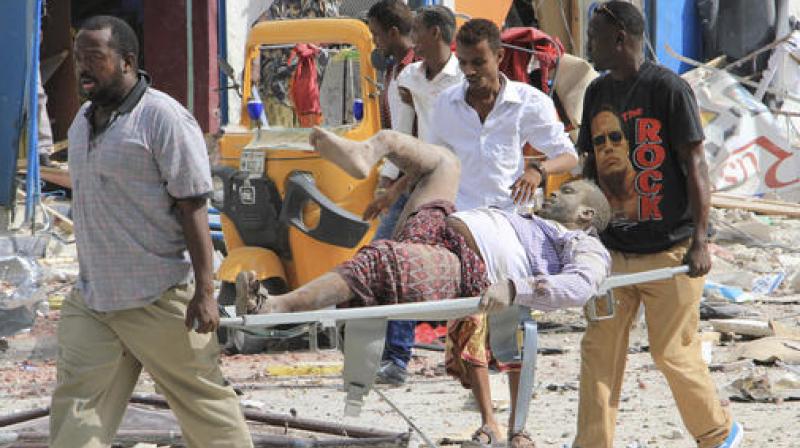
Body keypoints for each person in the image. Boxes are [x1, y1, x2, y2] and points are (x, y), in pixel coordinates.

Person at [236, 127, 611, 448]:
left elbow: (581, 286)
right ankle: (368, 151)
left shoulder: (581, 243)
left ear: (586, 215)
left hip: (464, 267)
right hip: (443, 227)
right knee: (444, 163)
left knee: (380, 260)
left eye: (570, 193)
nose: (557, 193)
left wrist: (516, 288)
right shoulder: (528, 218)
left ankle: (274, 306)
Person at [50, 16, 252, 448]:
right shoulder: (83, 121)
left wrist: (206, 291)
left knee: (204, 405)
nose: (83, 67)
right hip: (95, 298)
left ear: (126, 61)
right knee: (78, 406)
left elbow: (193, 204)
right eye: (79, 58)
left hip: (159, 297)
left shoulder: (163, 119)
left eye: (95, 58)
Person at [574, 3, 743, 448]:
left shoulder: (668, 89)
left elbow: (695, 168)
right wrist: (585, 230)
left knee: (673, 353)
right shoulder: (595, 93)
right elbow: (590, 166)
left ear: (619, 39)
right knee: (599, 352)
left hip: (671, 251)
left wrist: (701, 241)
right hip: (613, 251)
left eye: (594, 35)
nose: (588, 44)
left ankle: (718, 435)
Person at [427, 18, 579, 447]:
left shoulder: (527, 102)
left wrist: (537, 168)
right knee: (469, 325)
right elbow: (433, 161)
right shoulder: (445, 106)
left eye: (479, 62)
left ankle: (519, 427)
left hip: (513, 234)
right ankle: (489, 423)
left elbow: (567, 155)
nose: (471, 71)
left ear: (498, 57)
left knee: (513, 333)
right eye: (464, 62)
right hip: (464, 231)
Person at [366, 4, 464, 386]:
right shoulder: (409, 77)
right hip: (417, 182)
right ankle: (394, 357)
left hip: (458, 185)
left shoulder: (463, 77)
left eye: (417, 33)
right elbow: (405, 138)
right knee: (387, 259)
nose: (412, 42)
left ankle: (482, 354)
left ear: (435, 35)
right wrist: (389, 187)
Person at [365, 0, 418, 386]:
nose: (374, 41)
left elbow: (416, 140)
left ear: (393, 33)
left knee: (391, 265)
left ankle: (396, 358)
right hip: (401, 180)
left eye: (376, 33)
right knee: (388, 266)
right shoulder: (397, 70)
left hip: (415, 184)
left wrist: (393, 187)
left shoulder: (415, 74)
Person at [587, 105, 637, 219]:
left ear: (627, 144)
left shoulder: (651, 186)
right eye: (599, 141)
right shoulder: (589, 198)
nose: (608, 147)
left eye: (615, 137)